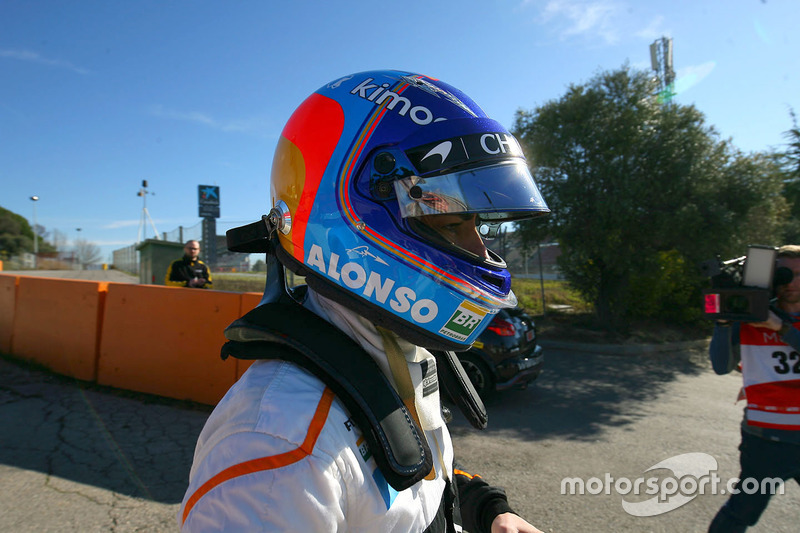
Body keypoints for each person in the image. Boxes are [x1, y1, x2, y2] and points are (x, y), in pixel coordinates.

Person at [178, 70, 550, 532]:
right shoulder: (276, 445)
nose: (478, 250)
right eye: (452, 223)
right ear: (358, 215)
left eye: (477, 225)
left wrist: (488, 510)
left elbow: (410, 487)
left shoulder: (397, 350)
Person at [708, 245, 800, 532]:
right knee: (739, 514)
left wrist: (780, 328)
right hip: (765, 442)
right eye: (783, 274)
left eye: (799, 274)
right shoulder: (748, 314)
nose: (791, 282)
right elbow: (721, 366)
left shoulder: (769, 319)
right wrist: (722, 324)